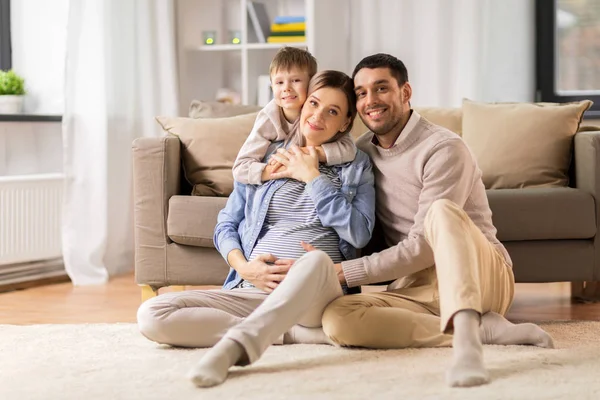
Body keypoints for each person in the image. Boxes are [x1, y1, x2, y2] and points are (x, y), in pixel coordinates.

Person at [281, 54, 554, 388]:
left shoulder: (444, 148)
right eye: (362, 93)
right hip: (413, 287)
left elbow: (424, 246)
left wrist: (340, 272)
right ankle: (483, 330)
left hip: (481, 275)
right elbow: (316, 141)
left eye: (381, 88)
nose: (371, 101)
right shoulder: (362, 152)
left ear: (405, 92)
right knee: (338, 319)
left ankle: (468, 346)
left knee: (440, 213)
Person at [136, 70, 376, 387]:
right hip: (253, 290)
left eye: (332, 111)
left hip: (316, 297)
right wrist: (246, 268)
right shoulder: (265, 161)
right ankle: (289, 332)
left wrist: (313, 178)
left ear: (345, 122)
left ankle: (239, 345)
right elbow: (226, 224)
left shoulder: (356, 165)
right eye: (314, 103)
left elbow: (359, 233)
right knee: (152, 315)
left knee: (315, 262)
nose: (317, 116)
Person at [233, 46, 356, 185]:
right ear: (272, 87)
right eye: (279, 82)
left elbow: (349, 150)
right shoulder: (269, 118)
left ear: (311, 84)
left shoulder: (316, 112)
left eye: (296, 80)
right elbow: (241, 168)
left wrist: (304, 153)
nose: (286, 88)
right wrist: (283, 167)